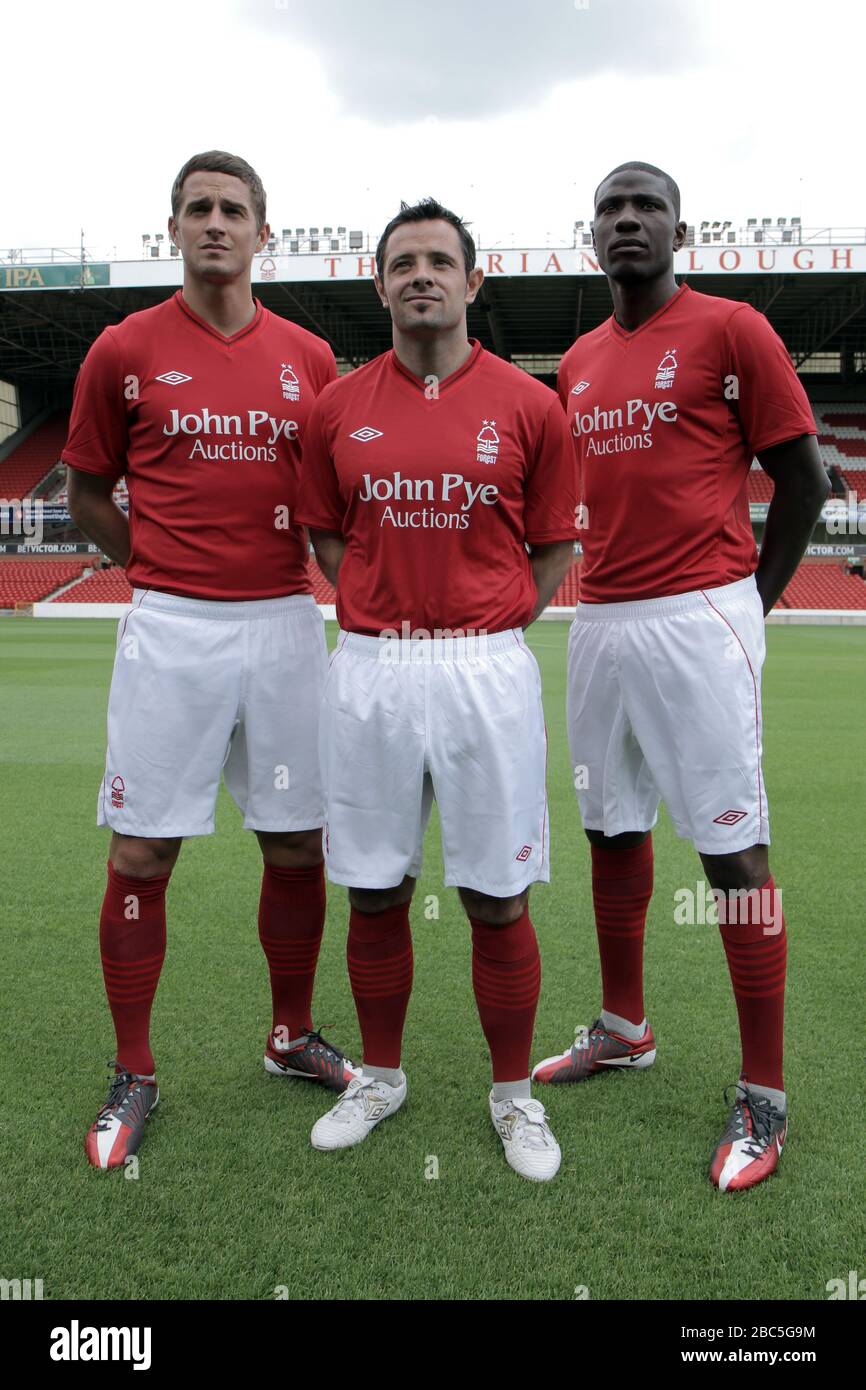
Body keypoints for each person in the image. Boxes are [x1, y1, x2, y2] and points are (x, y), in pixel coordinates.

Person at [532, 162, 828, 1192]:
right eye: (609, 207)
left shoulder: (731, 330)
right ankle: (624, 1025)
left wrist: (752, 595)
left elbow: (804, 479)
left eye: (643, 205)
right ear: (591, 235)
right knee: (609, 833)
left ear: (676, 230)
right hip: (599, 620)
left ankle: (763, 1093)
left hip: (698, 615)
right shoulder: (572, 361)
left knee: (730, 857)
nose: (626, 221)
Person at [63, 150, 357, 1170]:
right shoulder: (123, 350)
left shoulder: (310, 359)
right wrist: (153, 565)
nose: (216, 223)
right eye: (199, 208)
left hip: (282, 624)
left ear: (262, 232)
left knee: (294, 843)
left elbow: (330, 497)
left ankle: (288, 1033)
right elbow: (86, 491)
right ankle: (135, 1068)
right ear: (174, 227)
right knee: (144, 852)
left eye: (235, 209)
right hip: (171, 633)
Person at [295, 198, 576, 1181]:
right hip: (371, 663)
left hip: (481, 668)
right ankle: (380, 1075)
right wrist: (383, 605)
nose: (420, 275)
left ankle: (512, 1094)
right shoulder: (336, 407)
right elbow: (327, 537)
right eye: (401, 262)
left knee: (497, 897)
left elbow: (551, 549)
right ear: (379, 285)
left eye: (437, 261)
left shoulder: (531, 406)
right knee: (375, 889)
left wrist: (487, 622)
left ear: (472, 280)